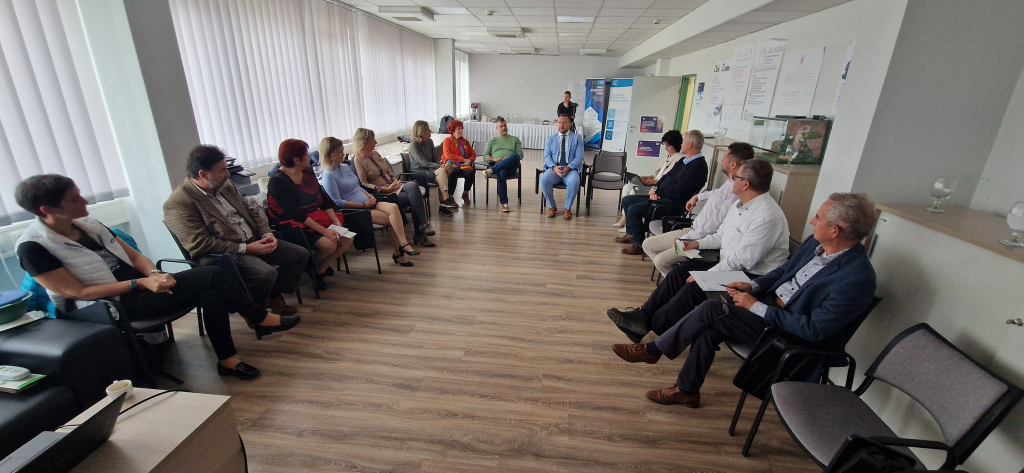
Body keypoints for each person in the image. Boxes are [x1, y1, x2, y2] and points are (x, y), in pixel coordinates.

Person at [15, 175, 300, 380]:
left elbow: (135, 257)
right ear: (47, 210)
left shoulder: (89, 224)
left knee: (211, 292)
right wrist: (141, 282)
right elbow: (79, 293)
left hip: (142, 287)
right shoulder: (33, 247)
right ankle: (258, 317)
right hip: (106, 306)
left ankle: (228, 360)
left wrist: (154, 273)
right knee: (214, 272)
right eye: (74, 198)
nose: (84, 199)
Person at [610, 193, 878, 408]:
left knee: (712, 308)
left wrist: (755, 306)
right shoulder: (816, 244)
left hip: (789, 334)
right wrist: (753, 286)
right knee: (708, 326)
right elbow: (785, 271)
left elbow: (814, 331)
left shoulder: (856, 279)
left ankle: (654, 350)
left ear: (835, 231)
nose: (811, 221)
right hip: (768, 307)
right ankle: (687, 391)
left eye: (817, 217)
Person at [607, 158, 790, 342]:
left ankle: (651, 325)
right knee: (679, 272)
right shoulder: (740, 205)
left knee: (694, 287)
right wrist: (696, 244)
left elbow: (743, 261)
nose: (732, 180)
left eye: (736, 177)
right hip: (731, 267)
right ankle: (643, 315)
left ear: (745, 184)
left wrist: (707, 276)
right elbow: (721, 236)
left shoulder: (767, 216)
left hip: (752, 278)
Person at [164, 145, 309, 315]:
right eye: (222, 170)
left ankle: (270, 295)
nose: (228, 174)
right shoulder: (179, 203)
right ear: (203, 174)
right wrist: (246, 248)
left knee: (300, 254)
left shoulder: (225, 185)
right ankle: (254, 314)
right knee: (265, 274)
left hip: (254, 240)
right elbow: (200, 244)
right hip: (226, 254)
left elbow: (250, 212)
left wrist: (266, 233)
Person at [641, 142, 755, 276]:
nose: (721, 160)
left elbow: (712, 226)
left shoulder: (735, 191)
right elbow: (716, 193)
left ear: (733, 164)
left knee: (661, 261)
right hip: (693, 230)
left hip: (700, 238)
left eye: (724, 157)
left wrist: (684, 240)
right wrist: (698, 196)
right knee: (648, 244)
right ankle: (677, 280)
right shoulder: (730, 183)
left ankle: (679, 283)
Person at [267, 139, 353, 289]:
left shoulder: (307, 171)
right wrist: (325, 231)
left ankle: (318, 270)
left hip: (314, 218)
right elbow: (296, 214)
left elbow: (323, 197)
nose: (309, 156)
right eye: (306, 154)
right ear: (296, 160)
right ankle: (309, 267)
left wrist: (335, 221)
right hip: (292, 226)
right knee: (329, 245)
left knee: (347, 239)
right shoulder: (277, 181)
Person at [320, 137, 415, 267]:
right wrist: (364, 205)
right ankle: (399, 252)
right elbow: (338, 202)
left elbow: (357, 187)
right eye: (340, 152)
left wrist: (370, 196)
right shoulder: (328, 175)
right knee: (394, 220)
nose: (344, 154)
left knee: (393, 207)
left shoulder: (345, 167)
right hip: (356, 210)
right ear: (331, 154)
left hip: (368, 202)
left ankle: (403, 244)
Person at [617, 130, 708, 255]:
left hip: (671, 204)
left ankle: (639, 244)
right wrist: (655, 189)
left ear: (690, 144)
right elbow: (666, 176)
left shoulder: (698, 167)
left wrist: (658, 190)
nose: (681, 144)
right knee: (627, 200)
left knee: (634, 210)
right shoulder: (685, 161)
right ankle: (632, 235)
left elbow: (678, 191)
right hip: (662, 197)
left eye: (683, 142)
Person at [352, 127, 436, 247]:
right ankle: (420, 233)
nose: (376, 142)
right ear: (364, 141)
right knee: (415, 197)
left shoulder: (375, 153)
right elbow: (363, 184)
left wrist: (395, 180)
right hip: (383, 194)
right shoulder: (358, 160)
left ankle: (422, 226)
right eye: (373, 139)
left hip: (394, 187)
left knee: (414, 185)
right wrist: (385, 189)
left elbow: (388, 171)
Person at [612, 144, 686, 230]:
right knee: (627, 187)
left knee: (633, 192)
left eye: (668, 146)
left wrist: (654, 183)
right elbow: (659, 174)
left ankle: (632, 224)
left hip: (657, 187)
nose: (666, 148)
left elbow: (669, 181)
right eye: (665, 145)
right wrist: (649, 177)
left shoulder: (680, 158)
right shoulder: (666, 155)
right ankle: (625, 219)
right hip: (654, 184)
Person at [407, 120, 457, 216]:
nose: (430, 131)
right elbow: (423, 162)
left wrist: (443, 165)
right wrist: (439, 166)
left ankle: (444, 202)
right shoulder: (414, 146)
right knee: (443, 175)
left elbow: (435, 159)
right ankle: (444, 204)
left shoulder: (429, 142)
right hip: (419, 172)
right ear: (421, 132)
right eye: (428, 129)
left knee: (443, 173)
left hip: (431, 169)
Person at [540, 114, 584, 220]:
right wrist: (554, 167)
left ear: (570, 124)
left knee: (575, 181)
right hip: (554, 168)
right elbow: (547, 156)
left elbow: (579, 157)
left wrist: (569, 167)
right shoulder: (551, 139)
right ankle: (552, 206)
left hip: (570, 169)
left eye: (564, 122)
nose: (561, 125)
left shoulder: (577, 138)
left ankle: (567, 208)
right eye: (559, 122)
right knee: (544, 180)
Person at [481, 117, 524, 213]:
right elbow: (485, 156)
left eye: (505, 125)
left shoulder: (515, 139)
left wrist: (508, 159)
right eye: (501, 126)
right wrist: (494, 159)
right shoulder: (492, 140)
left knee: (516, 155)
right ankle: (504, 204)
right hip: (498, 165)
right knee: (501, 172)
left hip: (511, 167)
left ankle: (491, 170)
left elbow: (520, 155)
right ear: (497, 128)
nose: (504, 128)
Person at [440, 120, 476, 206]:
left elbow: (473, 154)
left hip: (463, 165)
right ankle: (451, 197)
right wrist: (463, 159)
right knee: (453, 172)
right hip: (451, 164)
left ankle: (465, 193)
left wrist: (469, 160)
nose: (461, 130)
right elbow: (448, 155)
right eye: (458, 129)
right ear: (452, 130)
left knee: (470, 173)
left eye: (461, 128)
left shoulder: (465, 142)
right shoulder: (447, 141)